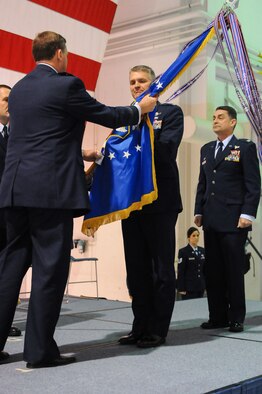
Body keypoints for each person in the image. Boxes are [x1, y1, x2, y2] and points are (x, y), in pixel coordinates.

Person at [0, 31, 157, 367]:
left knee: (10, 268)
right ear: (59, 53)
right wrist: (137, 110)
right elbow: (107, 115)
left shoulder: (20, 89)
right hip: (50, 193)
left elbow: (40, 137)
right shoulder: (66, 85)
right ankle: (40, 352)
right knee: (49, 270)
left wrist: (77, 150)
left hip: (14, 190)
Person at [119, 65, 184, 348]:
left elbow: (166, 150)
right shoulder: (124, 118)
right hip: (131, 204)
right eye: (132, 81)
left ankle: (157, 329)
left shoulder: (170, 113)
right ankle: (139, 326)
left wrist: (142, 124)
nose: (136, 85)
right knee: (136, 269)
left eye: (141, 81)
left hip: (160, 201)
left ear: (154, 83)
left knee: (160, 269)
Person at [194, 105, 261, 333]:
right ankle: (217, 317)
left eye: (220, 117)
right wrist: (198, 211)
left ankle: (236, 317)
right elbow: (202, 184)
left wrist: (247, 214)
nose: (215, 121)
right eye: (213, 117)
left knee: (233, 271)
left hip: (234, 220)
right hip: (211, 219)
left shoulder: (244, 147)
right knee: (213, 271)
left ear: (232, 122)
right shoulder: (206, 149)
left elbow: (253, 185)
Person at [0, 84, 22, 340]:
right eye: (6, 99)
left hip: (11, 215)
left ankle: (4, 321)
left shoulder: (16, 134)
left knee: (6, 273)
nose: (10, 103)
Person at [177, 227, 205, 300]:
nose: (196, 238)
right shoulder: (184, 251)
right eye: (194, 235)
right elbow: (181, 270)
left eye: (197, 235)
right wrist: (181, 288)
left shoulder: (202, 251)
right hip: (189, 288)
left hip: (200, 287)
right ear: (188, 237)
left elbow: (204, 269)